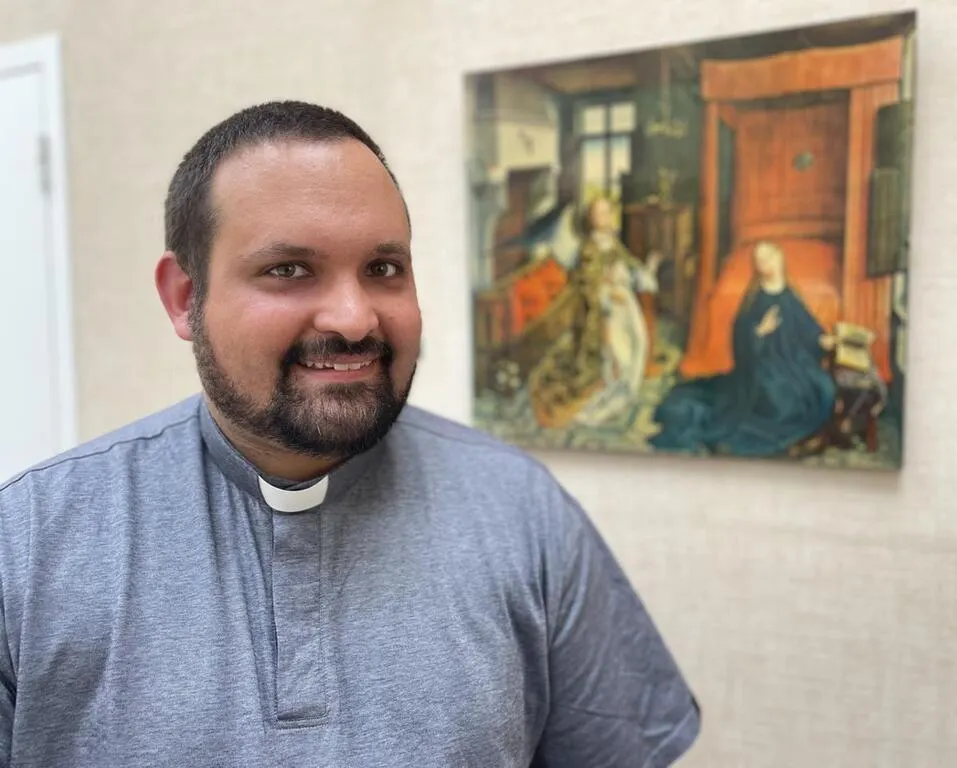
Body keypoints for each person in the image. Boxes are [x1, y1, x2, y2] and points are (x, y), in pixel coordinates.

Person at [0, 101, 700, 767]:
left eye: (383, 269)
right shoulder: (28, 545)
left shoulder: (523, 512)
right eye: (289, 270)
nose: (354, 318)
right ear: (186, 299)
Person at [649, 240, 837, 458]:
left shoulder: (789, 294)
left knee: (824, 387)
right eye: (760, 260)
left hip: (793, 361)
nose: (766, 263)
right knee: (779, 399)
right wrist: (760, 332)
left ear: (780, 257)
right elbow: (741, 337)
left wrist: (822, 339)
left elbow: (807, 327)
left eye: (769, 256)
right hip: (762, 367)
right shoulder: (756, 299)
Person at [529, 196, 661, 430]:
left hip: (625, 305)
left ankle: (626, 390)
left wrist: (646, 271)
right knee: (617, 354)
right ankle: (611, 394)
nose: (606, 217)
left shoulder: (612, 242)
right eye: (600, 213)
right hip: (603, 313)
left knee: (638, 341)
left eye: (607, 212)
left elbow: (629, 267)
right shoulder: (588, 249)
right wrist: (609, 297)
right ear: (590, 219)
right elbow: (590, 286)